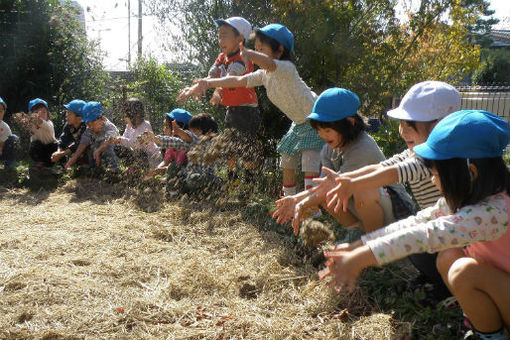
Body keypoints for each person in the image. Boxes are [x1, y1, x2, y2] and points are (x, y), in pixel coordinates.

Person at [319, 110, 510, 340]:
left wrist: (362, 258)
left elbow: (424, 235)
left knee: (463, 272)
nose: (432, 180)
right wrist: (359, 246)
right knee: (449, 256)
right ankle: (484, 324)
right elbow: (418, 222)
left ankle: (491, 336)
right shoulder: (478, 199)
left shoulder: (494, 212)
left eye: (435, 173)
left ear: (470, 173)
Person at [314, 81, 461, 301]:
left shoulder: (438, 160)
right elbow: (384, 167)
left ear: (440, 125)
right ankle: (437, 281)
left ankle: (451, 292)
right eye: (401, 124)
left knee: (446, 257)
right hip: (439, 230)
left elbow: (395, 173)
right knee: (420, 251)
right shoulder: (417, 153)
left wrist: (351, 183)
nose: (403, 132)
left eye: (410, 125)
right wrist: (346, 180)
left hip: (462, 243)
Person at [179, 23, 324, 196]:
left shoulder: (287, 69)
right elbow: (238, 81)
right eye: (255, 49)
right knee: (286, 156)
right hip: (299, 123)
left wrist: (249, 54)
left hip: (316, 120)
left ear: (279, 50)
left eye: (261, 49)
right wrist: (207, 83)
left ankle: (311, 204)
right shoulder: (263, 76)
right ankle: (289, 200)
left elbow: (269, 63)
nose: (256, 54)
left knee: (310, 159)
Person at [272, 88, 414, 235]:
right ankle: (356, 233)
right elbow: (324, 186)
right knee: (328, 194)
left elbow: (338, 184)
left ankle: (375, 243)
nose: (322, 135)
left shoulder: (362, 148)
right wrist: (296, 199)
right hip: (373, 208)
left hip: (399, 212)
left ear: (349, 123)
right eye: (319, 130)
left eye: (327, 130)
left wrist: (300, 202)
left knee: (361, 191)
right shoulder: (331, 147)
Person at [180, 16, 260, 183]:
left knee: (246, 147)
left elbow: (229, 79)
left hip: (247, 110)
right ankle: (233, 180)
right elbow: (211, 76)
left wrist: (213, 87)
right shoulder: (221, 57)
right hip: (231, 109)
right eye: (219, 36)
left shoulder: (242, 58)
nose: (220, 39)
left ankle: (250, 180)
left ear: (239, 39)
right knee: (231, 146)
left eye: (224, 35)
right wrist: (192, 89)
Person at [106, 98, 161, 171]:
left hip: (151, 157)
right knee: (119, 148)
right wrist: (116, 140)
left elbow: (137, 144)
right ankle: (133, 167)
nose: (125, 119)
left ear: (136, 115)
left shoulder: (145, 126)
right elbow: (125, 139)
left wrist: (120, 139)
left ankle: (140, 170)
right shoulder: (129, 126)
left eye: (126, 116)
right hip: (138, 154)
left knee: (139, 152)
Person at [65, 101, 120, 170]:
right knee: (90, 148)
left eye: (92, 123)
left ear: (102, 119)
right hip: (98, 152)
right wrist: (74, 158)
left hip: (116, 150)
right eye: (88, 124)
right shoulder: (89, 129)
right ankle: (94, 169)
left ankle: (113, 169)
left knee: (106, 147)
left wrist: (98, 151)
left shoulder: (109, 127)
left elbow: (110, 139)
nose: (90, 127)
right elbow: (83, 143)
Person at [51, 99, 87, 166]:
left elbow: (78, 144)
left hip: (85, 150)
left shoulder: (86, 127)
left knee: (82, 153)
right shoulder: (68, 125)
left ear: (79, 118)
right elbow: (63, 139)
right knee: (53, 145)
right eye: (67, 112)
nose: (66, 115)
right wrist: (58, 152)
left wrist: (62, 154)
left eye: (69, 113)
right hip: (73, 149)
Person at [27, 98, 58, 167]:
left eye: (43, 112)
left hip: (50, 149)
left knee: (56, 145)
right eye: (36, 112)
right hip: (39, 150)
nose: (40, 115)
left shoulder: (49, 123)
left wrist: (36, 118)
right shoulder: (31, 124)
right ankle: (39, 162)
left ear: (48, 114)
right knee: (34, 145)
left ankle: (56, 162)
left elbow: (41, 122)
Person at [0, 97, 18, 169]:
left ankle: (9, 162)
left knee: (13, 138)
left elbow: (5, 140)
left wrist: (1, 148)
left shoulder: (4, 127)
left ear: (4, 112)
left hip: (2, 151)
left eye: (0, 111)